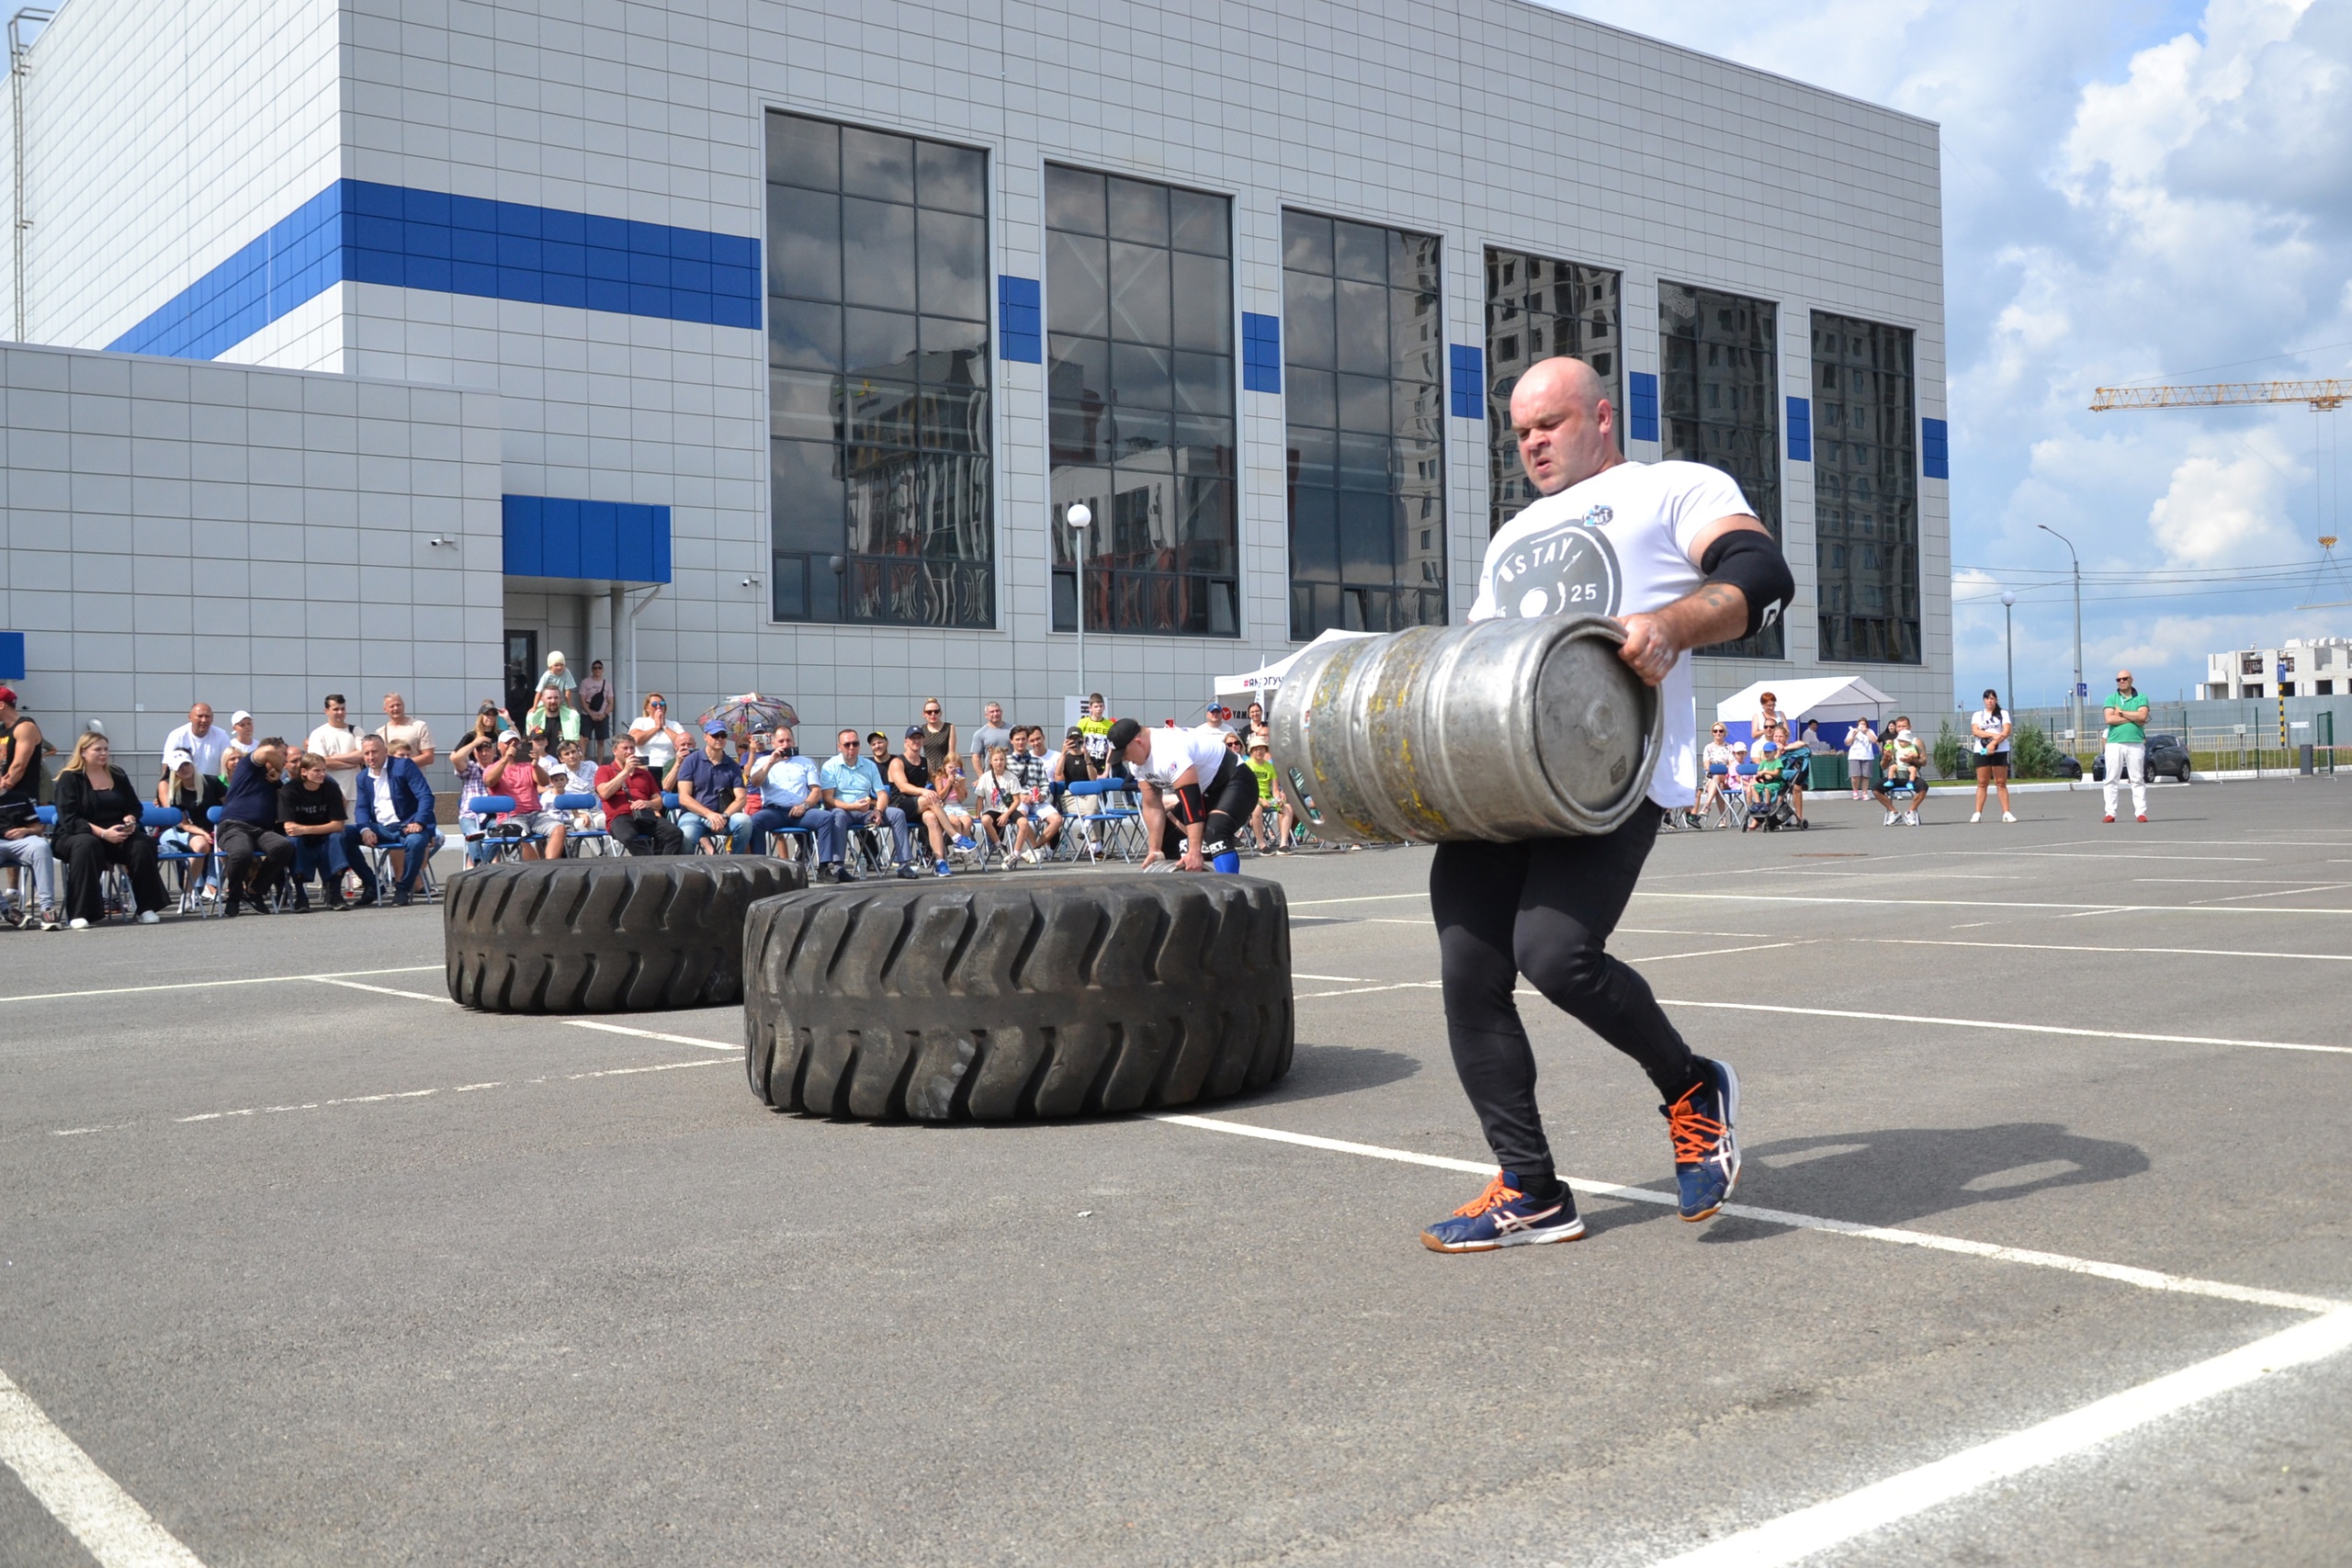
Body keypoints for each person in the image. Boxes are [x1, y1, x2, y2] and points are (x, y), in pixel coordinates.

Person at [1415, 356, 1787, 1253]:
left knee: (1556, 955)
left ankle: (1690, 1086)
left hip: (1613, 770)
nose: (1533, 443)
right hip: (1504, 777)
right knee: (1469, 970)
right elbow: (1477, 659)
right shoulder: (1509, 539)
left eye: (1549, 423)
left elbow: (1760, 574)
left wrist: (1673, 625)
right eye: (1520, 433)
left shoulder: (1671, 490)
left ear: (1602, 416)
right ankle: (1532, 1190)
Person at [51, 733, 170, 929]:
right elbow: (69, 818)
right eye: (97, 749)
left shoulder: (117, 774)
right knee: (87, 845)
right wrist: (103, 833)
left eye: (106, 749)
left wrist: (130, 819)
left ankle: (146, 907)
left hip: (118, 833)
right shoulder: (69, 778)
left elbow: (134, 806)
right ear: (83, 752)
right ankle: (82, 913)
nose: (103, 753)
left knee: (143, 844)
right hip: (77, 834)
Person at [1111, 715, 1257, 872]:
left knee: (1216, 832)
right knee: (1167, 840)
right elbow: (1152, 805)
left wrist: (1194, 851)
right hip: (1205, 790)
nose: (1126, 760)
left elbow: (1192, 804)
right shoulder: (1137, 765)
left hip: (1235, 780)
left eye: (1125, 754)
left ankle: (1232, 892)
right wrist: (1155, 849)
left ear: (1138, 743)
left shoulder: (1169, 751)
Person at [345, 733, 438, 903]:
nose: (371, 757)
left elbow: (425, 796)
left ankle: (403, 888)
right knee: (343, 835)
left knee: (416, 842)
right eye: (366, 753)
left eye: (375, 752)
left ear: (385, 751)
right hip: (380, 828)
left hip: (408, 826)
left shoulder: (403, 766)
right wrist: (364, 829)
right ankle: (372, 884)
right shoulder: (362, 777)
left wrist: (419, 822)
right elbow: (362, 807)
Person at [820, 728, 914, 879]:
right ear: (839, 746)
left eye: (855, 744)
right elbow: (828, 800)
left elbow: (882, 793)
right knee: (837, 815)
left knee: (897, 814)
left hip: (866, 811)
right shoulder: (830, 766)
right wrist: (853, 806)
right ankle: (839, 868)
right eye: (847, 744)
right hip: (843, 810)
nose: (852, 748)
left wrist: (878, 811)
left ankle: (904, 865)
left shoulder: (869, 765)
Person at [217, 739, 295, 915]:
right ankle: (234, 897)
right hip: (233, 826)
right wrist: (279, 770)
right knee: (242, 852)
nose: (285, 758)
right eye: (282, 754)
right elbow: (266, 750)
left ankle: (254, 891)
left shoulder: (275, 782)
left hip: (260, 831)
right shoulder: (249, 767)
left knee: (284, 846)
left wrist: (278, 779)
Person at [278, 751, 352, 911]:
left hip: (325, 837)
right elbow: (290, 828)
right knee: (293, 841)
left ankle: (335, 895)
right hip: (302, 840)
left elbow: (337, 825)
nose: (322, 774)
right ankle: (301, 896)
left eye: (324, 770)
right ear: (304, 772)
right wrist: (304, 831)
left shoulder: (331, 788)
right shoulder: (289, 790)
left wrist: (305, 829)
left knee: (337, 838)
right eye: (317, 771)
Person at [593, 735, 685, 856]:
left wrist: (648, 803)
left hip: (644, 816)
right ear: (614, 751)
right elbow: (604, 793)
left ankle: (665, 865)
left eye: (632, 748)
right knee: (629, 836)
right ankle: (650, 866)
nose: (629, 752)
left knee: (674, 833)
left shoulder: (644, 774)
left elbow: (658, 802)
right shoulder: (605, 770)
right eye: (625, 748)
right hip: (620, 817)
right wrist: (626, 771)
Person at [744, 727, 828, 858]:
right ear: (773, 743)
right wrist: (771, 762)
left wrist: (804, 805)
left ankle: (825, 866)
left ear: (794, 742)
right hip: (774, 812)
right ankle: (759, 866)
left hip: (801, 812)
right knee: (755, 821)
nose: (785, 744)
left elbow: (816, 791)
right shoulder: (762, 762)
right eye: (781, 741)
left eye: (789, 740)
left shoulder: (806, 762)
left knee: (827, 818)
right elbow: (755, 782)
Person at [481, 732, 565, 862]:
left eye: (515, 743)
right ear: (499, 746)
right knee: (520, 837)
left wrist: (536, 765)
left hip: (535, 814)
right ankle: (535, 870)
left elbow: (544, 782)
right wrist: (505, 760)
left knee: (559, 829)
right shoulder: (493, 767)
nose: (512, 746)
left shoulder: (528, 766)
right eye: (508, 743)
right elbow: (489, 781)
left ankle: (549, 866)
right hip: (511, 816)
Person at [153, 750, 220, 905]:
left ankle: (215, 885)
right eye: (179, 767)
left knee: (225, 840)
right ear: (173, 771)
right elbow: (181, 822)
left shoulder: (211, 782)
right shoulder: (172, 790)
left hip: (207, 829)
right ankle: (189, 893)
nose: (184, 769)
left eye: (186, 764)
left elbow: (228, 806)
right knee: (202, 844)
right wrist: (202, 832)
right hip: (176, 831)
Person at [888, 726, 956, 876]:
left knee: (932, 818)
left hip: (920, 806)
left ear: (923, 740)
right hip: (900, 806)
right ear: (906, 741)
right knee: (929, 799)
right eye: (912, 738)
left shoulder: (926, 762)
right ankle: (956, 836)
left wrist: (949, 781)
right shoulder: (897, 762)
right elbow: (903, 787)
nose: (916, 741)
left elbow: (937, 781)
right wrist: (925, 791)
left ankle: (940, 863)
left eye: (919, 738)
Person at [677, 720, 753, 853]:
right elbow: (684, 797)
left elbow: (741, 798)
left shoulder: (732, 765)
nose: (719, 738)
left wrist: (724, 816)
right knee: (686, 835)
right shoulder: (691, 761)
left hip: (724, 817)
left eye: (723, 735)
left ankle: (736, 862)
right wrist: (709, 814)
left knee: (745, 821)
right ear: (705, 737)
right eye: (715, 735)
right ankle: (685, 869)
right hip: (694, 816)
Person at [971, 744, 1038, 865]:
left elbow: (1017, 800)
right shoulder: (985, 777)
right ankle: (999, 847)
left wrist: (1007, 814)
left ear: (1005, 761)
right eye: (996, 760)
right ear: (991, 762)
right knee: (985, 820)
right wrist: (977, 815)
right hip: (992, 809)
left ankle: (1015, 854)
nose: (999, 762)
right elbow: (980, 799)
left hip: (1008, 809)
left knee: (1023, 823)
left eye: (1002, 759)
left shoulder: (1011, 777)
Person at [2102, 668, 2150, 824]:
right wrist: (2133, 717)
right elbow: (2109, 719)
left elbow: (2143, 716)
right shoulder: (2111, 698)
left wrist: (2121, 713)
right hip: (2114, 743)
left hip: (2135, 743)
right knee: (2111, 778)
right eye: (2118, 680)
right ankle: (2110, 812)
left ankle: (2141, 812)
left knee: (2137, 778)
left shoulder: (2141, 697)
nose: (2121, 682)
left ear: (2131, 680)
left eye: (2125, 679)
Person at [1970, 689, 2016, 824]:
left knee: (2001, 782)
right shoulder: (1978, 715)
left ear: (1996, 700)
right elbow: (1975, 731)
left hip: (2000, 750)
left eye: (1992, 698)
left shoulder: (2003, 714)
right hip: (1981, 751)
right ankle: (1977, 813)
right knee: (1982, 782)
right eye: (1987, 698)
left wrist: (1994, 743)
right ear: (1984, 700)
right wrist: (1992, 735)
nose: (1990, 701)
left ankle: (2006, 813)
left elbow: (2006, 731)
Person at [1872, 716, 1928, 826]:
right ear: (1896, 728)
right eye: (1899, 726)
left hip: (1911, 776)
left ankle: (1910, 812)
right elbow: (1883, 766)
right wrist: (1886, 758)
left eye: (1904, 726)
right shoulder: (1891, 743)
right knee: (1876, 788)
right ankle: (1894, 812)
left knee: (1923, 787)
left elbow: (1924, 761)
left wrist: (1913, 760)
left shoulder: (1916, 742)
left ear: (1910, 727)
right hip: (1895, 776)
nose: (1901, 728)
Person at [162, 702, 231, 783]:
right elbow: (167, 766)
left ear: (212, 718)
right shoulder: (177, 736)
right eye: (200, 716)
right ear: (190, 717)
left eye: (207, 716)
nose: (204, 720)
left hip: (213, 786)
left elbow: (228, 763)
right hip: (185, 786)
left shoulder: (221, 735)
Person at [628, 694, 687, 778]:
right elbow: (636, 740)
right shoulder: (640, 722)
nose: (659, 707)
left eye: (662, 704)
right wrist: (656, 727)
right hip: (646, 767)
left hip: (669, 768)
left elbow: (683, 743)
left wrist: (664, 727)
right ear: (647, 708)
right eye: (654, 704)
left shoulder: (674, 724)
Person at [306, 694, 366, 772]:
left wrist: (334, 757)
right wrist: (349, 765)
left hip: (354, 784)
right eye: (336, 709)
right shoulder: (318, 734)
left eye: (343, 709)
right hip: (329, 783)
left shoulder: (356, 731)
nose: (340, 712)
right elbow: (320, 762)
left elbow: (363, 754)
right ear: (326, 711)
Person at [375, 693, 435, 766]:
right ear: (385, 709)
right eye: (392, 706)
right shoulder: (380, 732)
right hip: (391, 777)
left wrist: (402, 764)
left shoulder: (419, 726)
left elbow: (429, 757)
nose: (396, 708)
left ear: (404, 706)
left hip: (414, 776)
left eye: (398, 705)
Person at [1243, 739, 1277, 847]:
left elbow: (1275, 790)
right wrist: (1260, 800)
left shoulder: (1270, 766)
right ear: (1251, 751)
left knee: (1287, 808)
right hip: (1251, 798)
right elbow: (1245, 789)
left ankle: (1284, 844)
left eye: (1262, 748)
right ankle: (1261, 844)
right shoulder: (1246, 766)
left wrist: (1279, 799)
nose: (1259, 751)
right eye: (1256, 749)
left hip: (1267, 797)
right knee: (1257, 809)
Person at [915, 696, 957, 784]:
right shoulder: (922, 729)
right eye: (929, 712)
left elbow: (951, 753)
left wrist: (949, 772)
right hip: (927, 769)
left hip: (944, 769)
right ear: (924, 714)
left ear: (940, 713)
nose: (933, 714)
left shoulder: (949, 727)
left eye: (936, 711)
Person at [967, 702, 1011, 780]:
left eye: (997, 711)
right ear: (986, 715)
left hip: (1011, 775)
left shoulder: (1013, 730)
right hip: (991, 776)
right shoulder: (980, 734)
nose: (995, 713)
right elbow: (975, 757)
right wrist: (982, 777)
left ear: (1001, 712)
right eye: (992, 712)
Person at [577, 660, 613, 751]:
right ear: (591, 670)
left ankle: (599, 764)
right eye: (595, 668)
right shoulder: (585, 682)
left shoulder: (608, 684)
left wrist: (604, 715)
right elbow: (582, 701)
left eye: (599, 668)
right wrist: (591, 714)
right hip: (587, 715)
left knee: (601, 742)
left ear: (603, 670)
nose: (597, 670)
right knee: (584, 739)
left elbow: (611, 703)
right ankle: (582, 761)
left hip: (602, 715)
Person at [1845, 717, 1879, 800]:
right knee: (1855, 775)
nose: (1862, 725)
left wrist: (1866, 731)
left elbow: (1874, 740)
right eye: (1861, 724)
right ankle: (1855, 791)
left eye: (1864, 724)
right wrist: (1853, 736)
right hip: (1854, 756)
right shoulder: (1853, 731)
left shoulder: (1870, 731)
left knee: (1866, 776)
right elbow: (1847, 743)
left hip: (1867, 756)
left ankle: (1865, 793)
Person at [1078, 693, 1113, 770]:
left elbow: (1110, 749)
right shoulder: (1083, 722)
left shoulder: (1110, 725)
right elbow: (1078, 742)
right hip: (1086, 762)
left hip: (1102, 762)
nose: (1099, 709)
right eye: (1096, 707)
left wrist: (1107, 771)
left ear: (1104, 707)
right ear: (1090, 708)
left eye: (1101, 706)